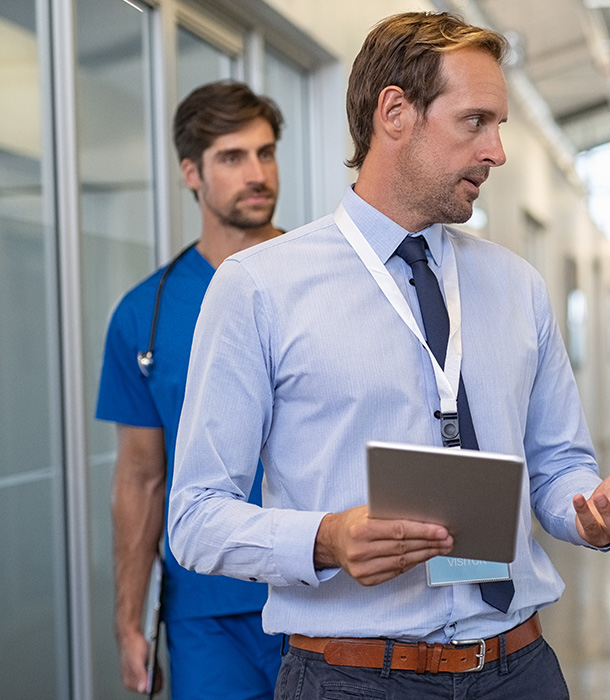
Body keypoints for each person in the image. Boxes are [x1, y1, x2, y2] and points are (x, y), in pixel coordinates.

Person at [167, 11, 610, 700]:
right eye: (475, 121)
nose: (496, 151)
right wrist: (326, 537)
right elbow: (194, 516)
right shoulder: (259, 287)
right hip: (352, 678)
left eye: (500, 125)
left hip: (518, 669)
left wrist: (589, 507)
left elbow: (557, 465)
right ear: (395, 113)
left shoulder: (515, 285)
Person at [96, 80, 285, 699]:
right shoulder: (144, 314)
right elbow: (142, 477)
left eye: (265, 152)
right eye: (232, 158)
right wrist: (129, 618)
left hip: (327, 593)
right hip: (205, 611)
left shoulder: (329, 281)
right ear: (191, 173)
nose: (256, 173)